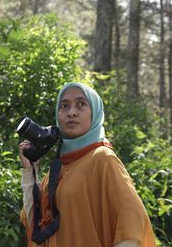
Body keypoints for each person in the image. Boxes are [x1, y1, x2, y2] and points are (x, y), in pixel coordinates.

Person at [19, 82, 156, 247]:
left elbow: (132, 222)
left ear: (95, 113)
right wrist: (29, 170)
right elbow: (37, 227)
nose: (72, 113)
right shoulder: (58, 169)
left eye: (81, 104)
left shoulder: (103, 159)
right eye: (64, 106)